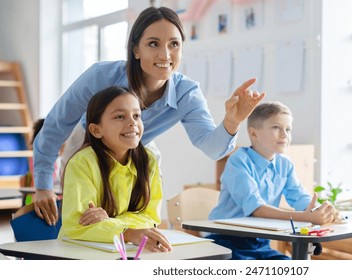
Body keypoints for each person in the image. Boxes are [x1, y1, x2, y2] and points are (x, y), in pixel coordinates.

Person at [33, 6, 265, 226]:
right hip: (88, 141)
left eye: (174, 44)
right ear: (136, 50)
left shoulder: (187, 93)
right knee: (86, 220)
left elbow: (213, 148)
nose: (165, 54)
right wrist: (43, 185)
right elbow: (57, 124)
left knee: (140, 202)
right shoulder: (101, 76)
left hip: (138, 145)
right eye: (153, 43)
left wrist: (232, 121)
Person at [207, 101, 340, 260]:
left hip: (260, 243)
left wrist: (320, 211)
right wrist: (306, 218)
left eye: (288, 129)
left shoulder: (285, 164)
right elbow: (257, 209)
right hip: (226, 242)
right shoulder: (238, 161)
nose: (284, 134)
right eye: (276, 127)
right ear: (254, 134)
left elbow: (299, 197)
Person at [58, 86, 172, 252]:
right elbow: (77, 226)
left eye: (136, 115)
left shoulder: (148, 161)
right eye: (120, 116)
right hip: (79, 251)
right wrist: (129, 232)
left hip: (126, 250)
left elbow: (150, 218)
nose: (132, 122)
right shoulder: (81, 163)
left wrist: (111, 223)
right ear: (96, 130)